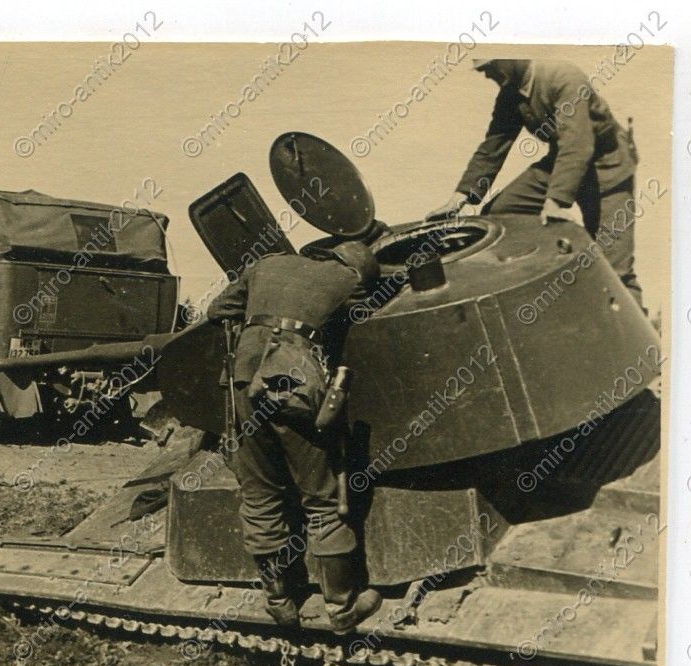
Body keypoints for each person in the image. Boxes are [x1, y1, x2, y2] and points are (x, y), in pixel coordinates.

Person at [206, 242, 383, 633]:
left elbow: (216, 311)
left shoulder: (267, 263)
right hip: (295, 388)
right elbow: (372, 315)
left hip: (242, 383)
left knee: (259, 495)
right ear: (356, 272)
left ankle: (279, 602)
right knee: (322, 498)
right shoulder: (348, 280)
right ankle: (342, 609)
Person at [426, 59, 642, 305]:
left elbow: (578, 143)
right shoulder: (511, 94)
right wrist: (459, 197)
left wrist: (555, 202)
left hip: (607, 168)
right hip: (563, 161)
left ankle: (639, 339)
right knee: (501, 212)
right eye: (484, 70)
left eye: (492, 66)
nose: (488, 76)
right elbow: (493, 146)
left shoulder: (563, 76)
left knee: (615, 268)